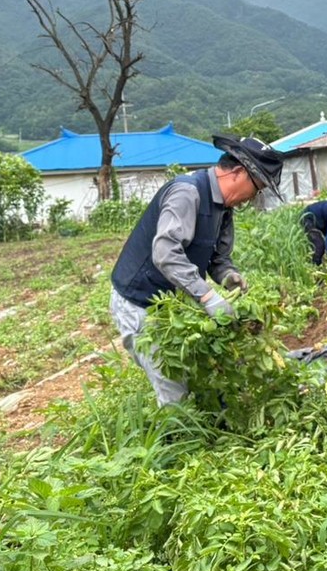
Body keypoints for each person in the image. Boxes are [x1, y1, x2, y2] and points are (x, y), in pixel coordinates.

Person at [110, 134, 283, 405]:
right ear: (238, 173)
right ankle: (176, 429)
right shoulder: (187, 193)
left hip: (172, 303)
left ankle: (207, 422)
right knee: (173, 389)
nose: (253, 198)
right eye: (257, 188)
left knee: (198, 375)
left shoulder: (224, 208)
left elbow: (218, 258)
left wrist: (228, 275)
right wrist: (207, 296)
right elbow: (166, 253)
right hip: (139, 303)